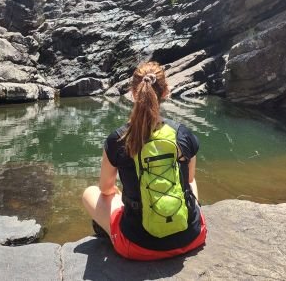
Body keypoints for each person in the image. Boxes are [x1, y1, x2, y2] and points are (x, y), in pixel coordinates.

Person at [82, 61, 207, 260]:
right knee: (190, 182)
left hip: (137, 246)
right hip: (191, 237)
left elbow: (106, 189)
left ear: (133, 93)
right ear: (166, 92)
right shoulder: (183, 134)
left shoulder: (119, 139)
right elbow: (189, 180)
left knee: (91, 192)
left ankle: (111, 231)